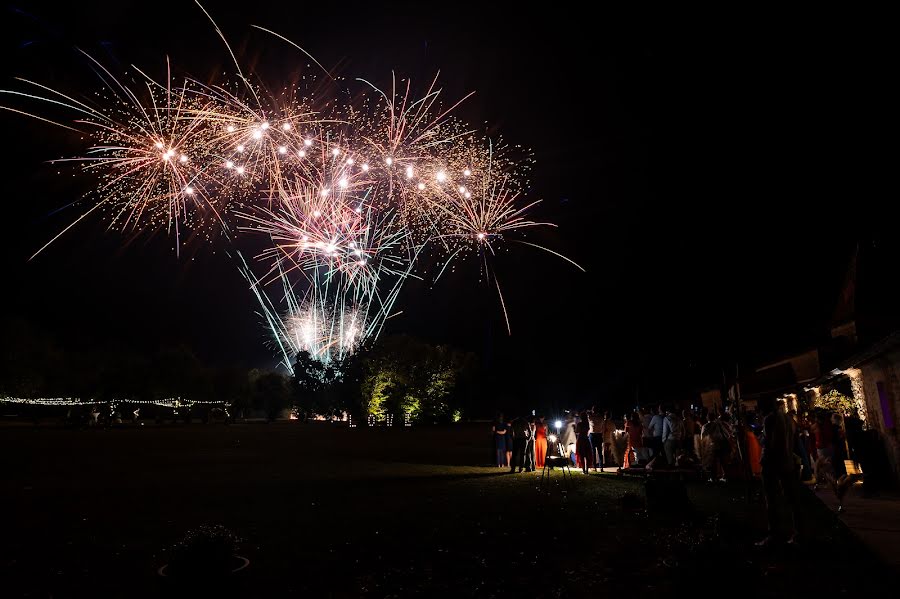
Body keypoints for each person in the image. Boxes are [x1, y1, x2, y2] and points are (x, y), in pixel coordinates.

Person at [756, 399, 799, 546]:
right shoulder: (788, 418)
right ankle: (796, 532)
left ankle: (775, 533)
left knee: (772, 500)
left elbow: (769, 442)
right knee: (791, 498)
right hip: (787, 462)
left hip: (772, 463)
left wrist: (761, 438)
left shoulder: (770, 419)